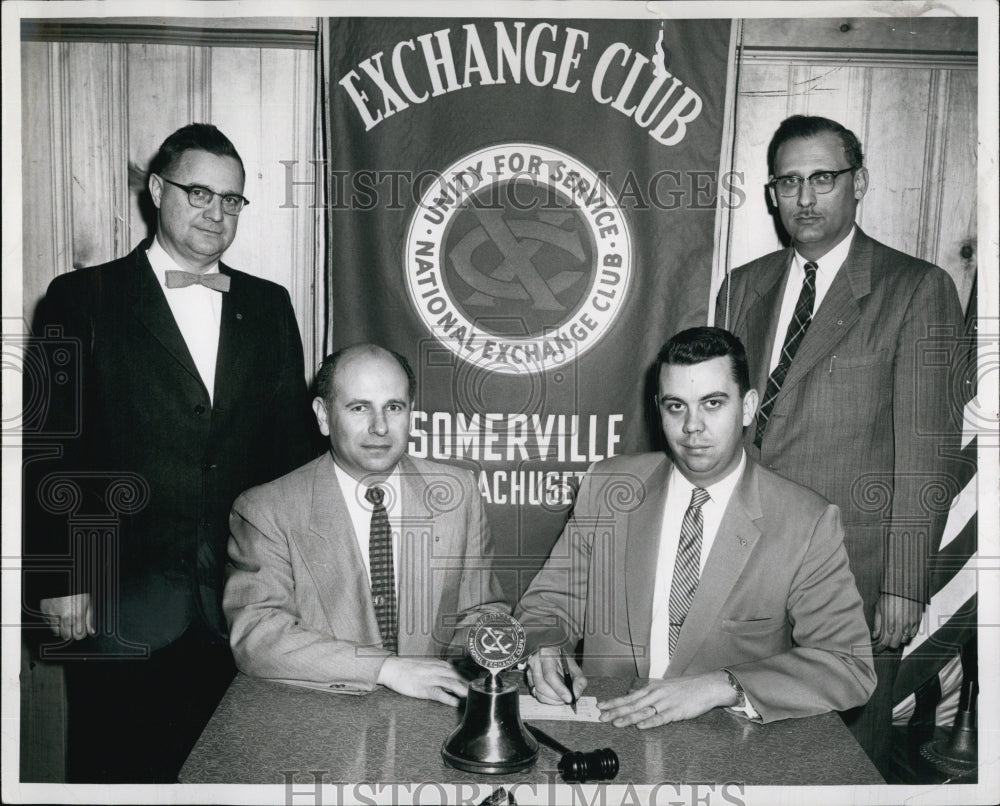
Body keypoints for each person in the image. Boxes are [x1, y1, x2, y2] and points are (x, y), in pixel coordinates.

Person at [24, 123, 317, 782]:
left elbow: (290, 456)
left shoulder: (268, 307)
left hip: (237, 606)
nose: (216, 213)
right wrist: (62, 579)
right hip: (115, 603)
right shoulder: (79, 299)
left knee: (227, 780)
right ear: (158, 190)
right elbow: (49, 452)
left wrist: (294, 585)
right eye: (198, 193)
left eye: (232, 200)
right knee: (115, 778)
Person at [714, 115, 964, 774]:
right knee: (739, 742)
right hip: (742, 566)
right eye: (788, 182)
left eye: (822, 179)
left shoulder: (916, 288)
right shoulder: (741, 286)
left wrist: (905, 585)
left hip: (851, 573)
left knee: (842, 759)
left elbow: (926, 448)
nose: (804, 199)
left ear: (859, 184)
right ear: (770, 194)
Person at [515, 327, 875, 727]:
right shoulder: (607, 488)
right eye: (676, 406)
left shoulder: (806, 520)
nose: (692, 426)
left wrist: (723, 685)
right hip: (609, 734)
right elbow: (547, 607)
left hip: (731, 752)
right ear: (659, 409)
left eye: (713, 403)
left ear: (749, 406)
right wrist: (543, 648)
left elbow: (848, 666)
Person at [224, 344, 508, 705]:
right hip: (319, 721)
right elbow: (257, 636)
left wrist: (461, 668)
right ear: (324, 416)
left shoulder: (458, 492)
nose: (380, 427)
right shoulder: (267, 509)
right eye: (359, 408)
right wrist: (387, 669)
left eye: (394, 407)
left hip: (433, 717)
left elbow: (483, 610)